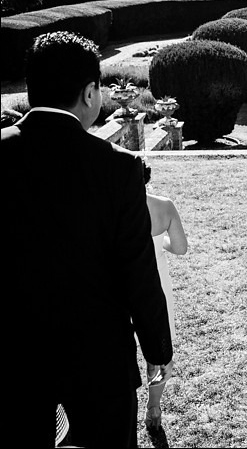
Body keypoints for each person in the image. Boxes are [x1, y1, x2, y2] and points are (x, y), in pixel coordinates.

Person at [3, 31, 173, 447]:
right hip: (99, 357)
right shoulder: (118, 170)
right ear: (90, 92)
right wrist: (158, 350)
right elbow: (138, 273)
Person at [142, 160, 189, 430]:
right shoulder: (164, 205)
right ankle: (154, 405)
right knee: (158, 350)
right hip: (157, 286)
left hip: (118, 286)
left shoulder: (112, 205)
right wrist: (159, 243)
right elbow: (181, 248)